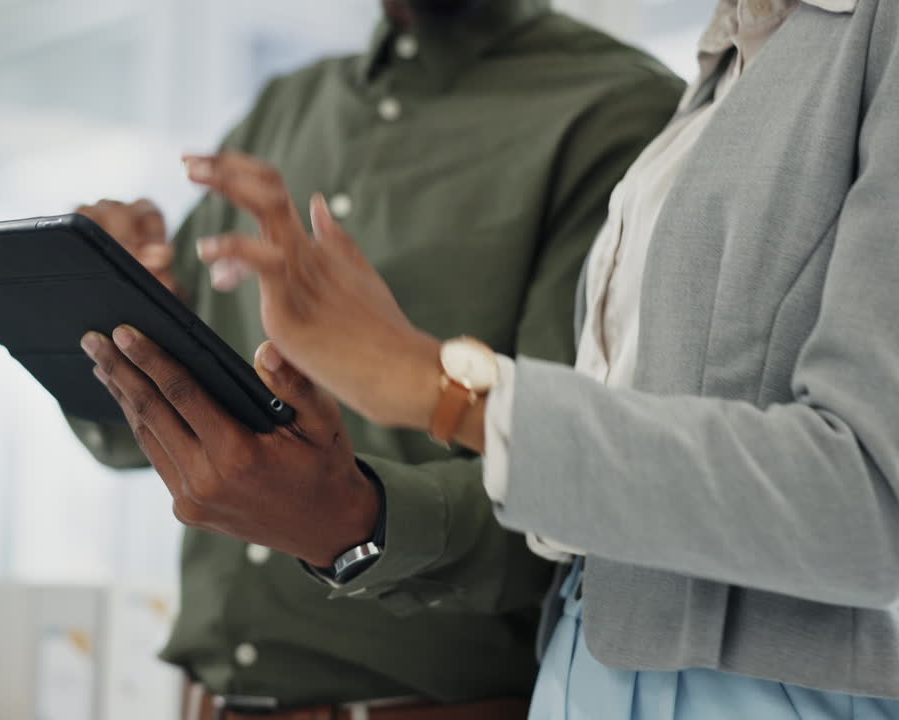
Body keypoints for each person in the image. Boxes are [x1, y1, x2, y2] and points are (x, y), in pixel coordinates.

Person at [83, 0, 899, 717]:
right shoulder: (281, 111)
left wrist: (427, 414)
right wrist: (110, 322)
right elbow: (148, 430)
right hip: (574, 681)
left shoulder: (619, 106)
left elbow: (848, 492)